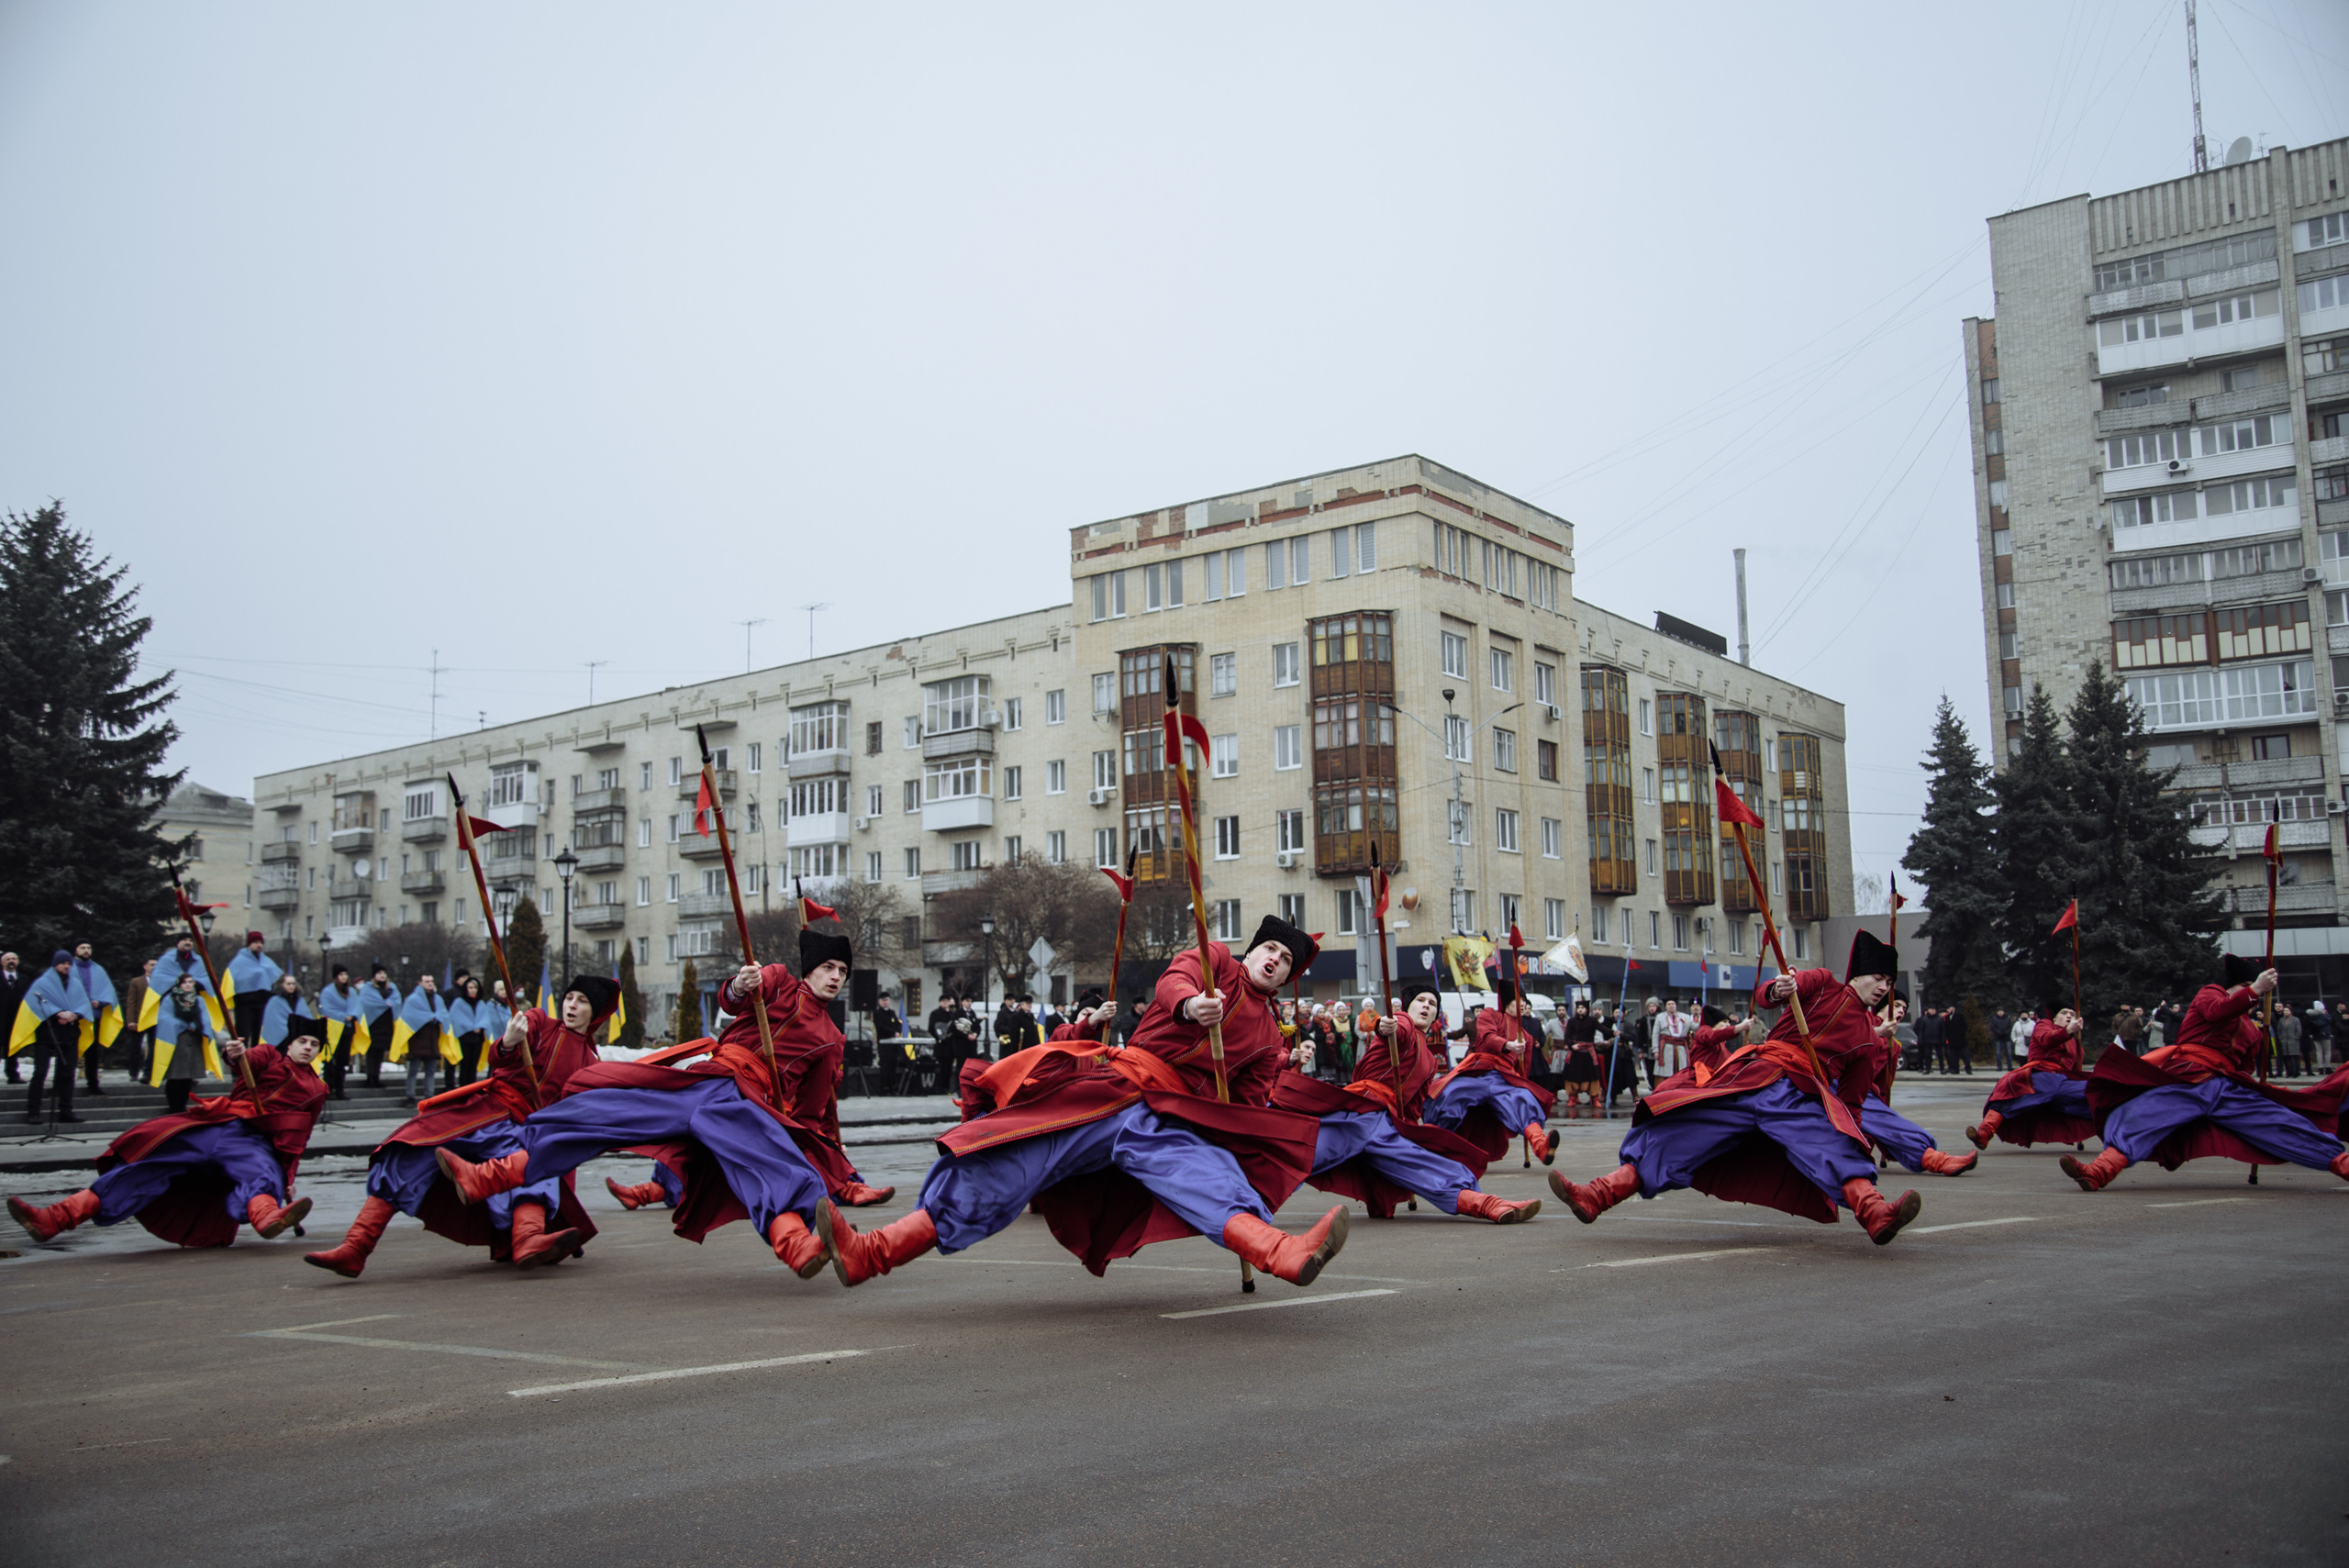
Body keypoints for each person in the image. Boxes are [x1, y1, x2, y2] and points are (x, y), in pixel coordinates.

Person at [816, 915, 1343, 1290]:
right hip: (1112, 1089)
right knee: (1003, 1167)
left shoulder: (1269, 1035)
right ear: (1252, 951)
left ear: (1287, 978)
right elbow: (1174, 982)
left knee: (1210, 1180)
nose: (1275, 960)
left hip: (1172, 1119)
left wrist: (1234, 1137)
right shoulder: (1216, 961)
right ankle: (870, 1253)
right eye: (1269, 949)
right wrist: (1190, 1006)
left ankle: (1283, 1253)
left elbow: (1249, 1105)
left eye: (1285, 960)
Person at [433, 928, 883, 1278]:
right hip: (705, 1081)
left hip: (745, 1105)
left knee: (779, 1171)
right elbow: (735, 997)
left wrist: (801, 1140)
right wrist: (742, 983)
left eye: (842, 972)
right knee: (601, 1113)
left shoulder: (832, 1038)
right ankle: (484, 1178)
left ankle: (798, 1247)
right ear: (809, 970)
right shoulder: (780, 981)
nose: (835, 977)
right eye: (827, 967)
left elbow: (809, 1110)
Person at [1549, 930, 1924, 1246]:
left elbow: (1852, 1102)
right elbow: (1766, 996)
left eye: (1889, 983)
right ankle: (1596, 1195)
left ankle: (1875, 1213)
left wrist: (1854, 1136)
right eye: (1879, 978)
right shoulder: (1824, 982)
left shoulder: (1869, 1039)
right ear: (1858, 974)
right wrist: (1780, 987)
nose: (1884, 988)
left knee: (1834, 1148)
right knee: (1677, 1135)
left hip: (1800, 1097)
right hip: (1750, 1078)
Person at [306, 976, 618, 1278]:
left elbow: (579, 1119)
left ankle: (528, 1240)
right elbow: (498, 1059)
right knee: (410, 1152)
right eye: (569, 997)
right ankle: (356, 1247)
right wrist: (509, 1041)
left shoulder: (591, 1064)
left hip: (529, 1130)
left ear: (595, 1013)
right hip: (487, 1111)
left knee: (535, 1168)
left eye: (582, 1001)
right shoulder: (538, 1021)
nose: (571, 1005)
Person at [9, 1021, 325, 1248]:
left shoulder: (317, 1089)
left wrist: (288, 1177)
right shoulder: (268, 1055)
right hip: (218, 1125)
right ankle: (51, 1219)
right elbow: (245, 1059)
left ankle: (268, 1218)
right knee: (142, 1170)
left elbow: (300, 1137)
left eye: (314, 1044)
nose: (308, 1047)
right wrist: (235, 1052)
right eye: (303, 1041)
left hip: (255, 1142)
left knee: (261, 1172)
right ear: (290, 1044)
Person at [2065, 955, 2349, 1191]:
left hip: (2228, 1088)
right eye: (2248, 987)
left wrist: (2256, 1067)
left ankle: (2343, 1164)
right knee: (2139, 1117)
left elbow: (2244, 1067)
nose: (2255, 994)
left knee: (2283, 1124)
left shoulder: (2252, 1028)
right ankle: (2098, 1172)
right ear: (2236, 985)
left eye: (2258, 990)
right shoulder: (2211, 993)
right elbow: (2217, 1012)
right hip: (2189, 1078)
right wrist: (2255, 990)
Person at [1271, 979, 1536, 1224]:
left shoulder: (1430, 1061)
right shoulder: (1403, 1023)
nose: (1426, 1006)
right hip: (1359, 1111)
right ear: (1408, 1007)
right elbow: (1393, 1028)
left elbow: (1413, 1108)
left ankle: (1487, 1205)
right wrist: (1385, 1027)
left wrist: (1411, 1134)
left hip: (1386, 1125)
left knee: (1428, 1166)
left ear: (1436, 1014)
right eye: (1420, 1000)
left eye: (1432, 1003)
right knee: (1299, 1156)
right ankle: (1251, 1210)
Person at [1421, 973, 1558, 1162]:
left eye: (1524, 1001)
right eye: (1518, 1000)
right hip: (1478, 1072)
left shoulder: (1525, 1036)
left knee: (1524, 1100)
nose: (1522, 1004)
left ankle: (1542, 1147)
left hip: (1505, 1078)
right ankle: (1430, 1146)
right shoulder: (1490, 1014)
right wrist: (1509, 1045)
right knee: (1448, 1096)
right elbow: (1487, 1036)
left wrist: (1520, 1083)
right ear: (1507, 1001)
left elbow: (1523, 1071)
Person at [1966, 1003, 2097, 1151]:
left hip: (2062, 1081)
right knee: (2007, 1097)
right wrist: (2067, 1031)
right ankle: (1984, 1133)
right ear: (2054, 1018)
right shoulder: (2044, 1024)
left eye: (2072, 1015)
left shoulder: (2076, 1044)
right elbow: (2046, 1039)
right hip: (2038, 1075)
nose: (2069, 1016)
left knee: (2095, 1093)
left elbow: (2075, 1071)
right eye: (2064, 1013)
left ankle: (2112, 1135)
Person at [14, 951, 90, 1123]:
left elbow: (83, 1004)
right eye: (63, 963)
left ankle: (66, 1110)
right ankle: (33, 1111)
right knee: (40, 1072)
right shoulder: (42, 983)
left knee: (67, 1073)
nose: (67, 966)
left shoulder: (75, 983)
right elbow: (34, 1004)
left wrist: (74, 1015)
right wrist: (58, 1014)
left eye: (69, 964)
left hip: (69, 1033)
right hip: (47, 1034)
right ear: (55, 964)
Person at [153, 974, 225, 1112]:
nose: (188, 985)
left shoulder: (199, 1000)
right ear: (179, 984)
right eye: (185, 982)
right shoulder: (170, 999)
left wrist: (197, 1025)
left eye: (191, 982)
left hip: (194, 1040)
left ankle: (182, 1105)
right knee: (175, 1075)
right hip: (176, 1041)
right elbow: (165, 1018)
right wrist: (184, 1025)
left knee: (188, 1076)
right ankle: (174, 1107)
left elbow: (205, 1018)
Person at [70, 942, 123, 1095]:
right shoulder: (69, 968)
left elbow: (108, 992)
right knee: (70, 1051)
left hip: (94, 1017)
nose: (86, 951)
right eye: (83, 948)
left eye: (89, 948)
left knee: (93, 1052)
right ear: (76, 950)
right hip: (73, 1017)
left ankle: (93, 1084)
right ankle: (63, 1085)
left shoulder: (98, 969)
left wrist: (100, 1003)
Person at [390, 973, 451, 1106]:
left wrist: (437, 1018)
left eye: (431, 981)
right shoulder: (413, 1000)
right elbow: (408, 1017)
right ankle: (410, 1096)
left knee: (430, 1071)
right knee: (413, 1071)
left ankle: (429, 1097)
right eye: (427, 981)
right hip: (417, 1041)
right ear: (420, 983)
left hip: (432, 1040)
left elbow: (444, 1015)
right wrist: (426, 1018)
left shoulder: (438, 999)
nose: (430, 984)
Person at [315, 964, 367, 1101]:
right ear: (336, 977)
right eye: (341, 975)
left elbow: (358, 1006)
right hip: (333, 1030)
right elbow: (325, 1009)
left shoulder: (351, 992)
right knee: (331, 1061)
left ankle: (340, 1089)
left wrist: (352, 1015)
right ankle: (329, 1089)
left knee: (343, 1061)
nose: (344, 977)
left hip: (347, 1030)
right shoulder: (328, 992)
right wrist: (343, 1016)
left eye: (345, 974)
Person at [225, 931, 283, 1048]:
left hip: (263, 1005)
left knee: (260, 1037)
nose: (259, 945)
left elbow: (279, 978)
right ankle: (241, 1058)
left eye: (261, 942)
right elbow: (231, 978)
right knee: (243, 1035)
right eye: (256, 942)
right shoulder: (239, 961)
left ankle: (258, 1058)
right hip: (245, 1005)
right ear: (249, 944)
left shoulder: (266, 961)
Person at [359, 963, 402, 1089]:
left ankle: (376, 1076)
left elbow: (397, 1002)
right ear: (374, 976)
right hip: (373, 1024)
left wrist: (388, 1004)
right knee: (371, 1051)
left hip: (386, 1025)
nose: (382, 975)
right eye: (379, 973)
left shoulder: (392, 988)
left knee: (381, 1051)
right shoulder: (367, 989)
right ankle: (370, 1077)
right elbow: (365, 1003)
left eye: (384, 973)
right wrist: (384, 1005)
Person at [447, 975, 492, 1090]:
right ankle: (464, 1089)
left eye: (475, 988)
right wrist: (471, 1027)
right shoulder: (459, 1003)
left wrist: (480, 1026)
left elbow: (485, 1018)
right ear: (466, 989)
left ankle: (472, 1089)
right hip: (464, 1038)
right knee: (465, 1066)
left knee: (473, 1066)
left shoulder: (481, 1003)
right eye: (470, 987)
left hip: (478, 1039)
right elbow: (455, 1018)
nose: (473, 990)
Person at [1561, 1000, 1603, 1118]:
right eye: (1579, 1008)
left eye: (1583, 1008)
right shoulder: (1571, 1021)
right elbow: (1567, 1036)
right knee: (1572, 1076)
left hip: (1588, 1054)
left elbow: (1602, 1029)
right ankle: (1572, 1098)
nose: (1580, 1010)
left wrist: (1613, 1032)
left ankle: (1595, 1099)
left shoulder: (1592, 1021)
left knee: (1593, 1076)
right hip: (1575, 1053)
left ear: (1586, 1010)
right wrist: (1571, 1045)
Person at [258, 973, 317, 1053]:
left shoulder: (300, 1000)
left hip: (298, 1040)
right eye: (288, 984)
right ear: (281, 985)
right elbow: (272, 1022)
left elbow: (306, 1018)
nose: (291, 986)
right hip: (280, 1043)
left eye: (293, 984)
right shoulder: (275, 1001)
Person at [1653, 998, 1693, 1081]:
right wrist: (1656, 1050)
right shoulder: (1660, 1017)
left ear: (1676, 1005)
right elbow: (1655, 1034)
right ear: (1665, 1006)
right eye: (1669, 1004)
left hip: (1681, 1046)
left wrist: (1700, 1016)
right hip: (1666, 1047)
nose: (1671, 1006)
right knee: (1667, 1072)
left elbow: (1695, 1027)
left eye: (1673, 1004)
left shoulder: (1686, 1017)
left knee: (1681, 1070)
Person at [0, 951, 22, 1084]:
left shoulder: (24, 979)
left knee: (13, 1047)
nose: (11, 961)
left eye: (14, 958)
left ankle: (13, 1075)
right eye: (7, 959)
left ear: (17, 961)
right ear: (2, 963)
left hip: (16, 1020)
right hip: (1, 1018)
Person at [2275, 1004, 2303, 1079]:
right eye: (2284, 1011)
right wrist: (2281, 1038)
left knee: (2294, 1057)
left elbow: (2299, 1031)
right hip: (2284, 1041)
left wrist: (2295, 1038)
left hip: (2293, 1041)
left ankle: (2296, 1072)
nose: (2285, 1012)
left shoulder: (2295, 1020)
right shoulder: (2281, 1020)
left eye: (2287, 1011)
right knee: (2286, 1058)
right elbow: (2279, 1030)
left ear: (2291, 1012)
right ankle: (2289, 1072)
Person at [2308, 998, 2333, 1074]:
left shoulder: (2310, 1014)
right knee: (2327, 1051)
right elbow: (2329, 1020)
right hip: (2325, 1035)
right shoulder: (2324, 1015)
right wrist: (2326, 1013)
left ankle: (2320, 1068)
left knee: (2319, 1051)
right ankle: (2327, 1067)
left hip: (2315, 1035)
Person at [2007, 1008, 2035, 1075]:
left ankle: (2029, 1073)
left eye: (2025, 1014)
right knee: (2022, 1061)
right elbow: (2013, 1033)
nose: (2024, 1016)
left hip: (2029, 1043)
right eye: (2023, 1015)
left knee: (2029, 1060)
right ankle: (2022, 1074)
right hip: (2020, 1044)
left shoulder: (2032, 1023)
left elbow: (2036, 1032)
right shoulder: (2017, 1024)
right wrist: (2015, 1040)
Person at [1988, 1007, 2013, 1072]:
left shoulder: (2007, 1018)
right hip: (1998, 1038)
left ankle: (2010, 1066)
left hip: (2007, 1038)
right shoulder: (1994, 1019)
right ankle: (1999, 1066)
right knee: (1998, 1053)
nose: (2000, 1013)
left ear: (2003, 1012)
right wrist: (1998, 1032)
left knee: (2008, 1053)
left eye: (2001, 1011)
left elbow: (2010, 1027)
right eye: (1999, 1011)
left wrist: (2006, 1032)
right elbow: (1993, 1027)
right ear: (1997, 1012)